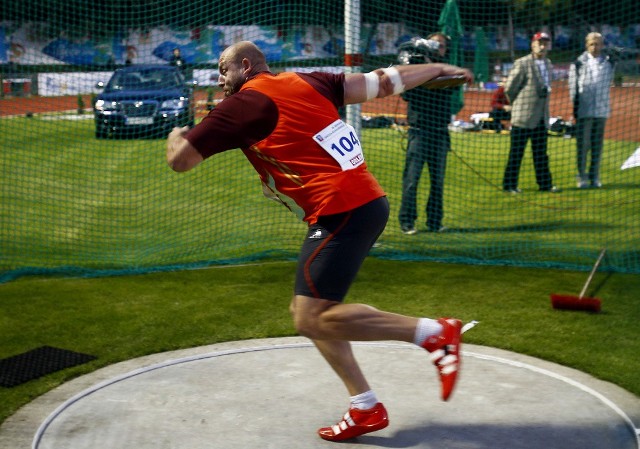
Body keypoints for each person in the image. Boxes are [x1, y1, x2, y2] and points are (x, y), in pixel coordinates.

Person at [166, 41, 474, 442]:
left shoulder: (242, 105)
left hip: (341, 210)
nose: (219, 79)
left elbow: (181, 160)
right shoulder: (311, 80)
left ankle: (433, 333)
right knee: (310, 309)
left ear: (245, 66)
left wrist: (175, 133)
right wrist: (435, 67)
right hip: (362, 203)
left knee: (309, 316)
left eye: (223, 70)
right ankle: (364, 406)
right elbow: (385, 82)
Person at [397, 33, 456, 235]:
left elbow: (448, 89)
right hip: (419, 132)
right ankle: (407, 221)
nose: (439, 47)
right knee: (412, 180)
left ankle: (435, 221)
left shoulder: (446, 68)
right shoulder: (414, 65)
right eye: (435, 43)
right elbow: (406, 93)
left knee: (437, 182)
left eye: (442, 45)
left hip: (440, 132)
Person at [502, 32, 559, 194]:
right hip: (523, 116)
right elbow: (509, 88)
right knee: (516, 153)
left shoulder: (548, 63)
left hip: (541, 116)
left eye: (545, 43)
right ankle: (509, 185)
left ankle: (545, 184)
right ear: (532, 44)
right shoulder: (522, 63)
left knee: (541, 154)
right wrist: (518, 104)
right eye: (539, 42)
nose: (542, 46)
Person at [568, 32, 616, 189]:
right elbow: (572, 88)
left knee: (597, 146)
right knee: (583, 146)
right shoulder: (578, 64)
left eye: (598, 44)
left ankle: (594, 176)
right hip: (584, 110)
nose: (595, 47)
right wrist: (576, 108)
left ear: (602, 45)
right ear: (586, 45)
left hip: (601, 110)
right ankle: (581, 176)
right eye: (592, 44)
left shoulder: (609, 63)